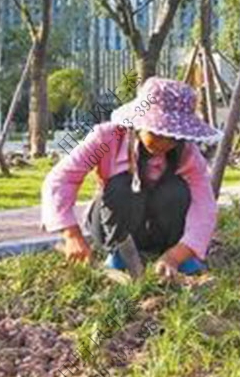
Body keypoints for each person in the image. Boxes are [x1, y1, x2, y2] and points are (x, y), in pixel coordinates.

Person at [41, 77, 222, 279]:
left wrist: (176, 255)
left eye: (174, 137)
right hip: (114, 221)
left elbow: (204, 205)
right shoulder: (107, 139)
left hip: (160, 228)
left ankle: (172, 252)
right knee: (122, 186)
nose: (165, 144)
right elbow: (61, 179)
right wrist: (71, 235)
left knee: (177, 190)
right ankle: (119, 254)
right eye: (158, 134)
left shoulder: (187, 153)